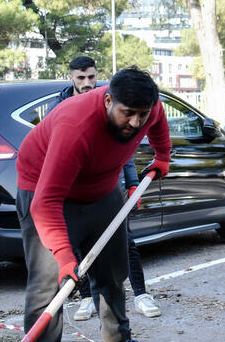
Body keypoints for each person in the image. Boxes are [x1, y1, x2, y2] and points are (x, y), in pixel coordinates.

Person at [17, 66, 172, 342]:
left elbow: (158, 123)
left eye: (140, 115)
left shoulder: (150, 109)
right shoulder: (75, 126)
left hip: (102, 191)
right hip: (46, 192)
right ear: (107, 100)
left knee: (112, 272)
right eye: (126, 113)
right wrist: (63, 255)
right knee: (49, 284)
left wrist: (162, 156)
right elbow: (46, 201)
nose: (134, 123)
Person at [58, 57, 162, 320]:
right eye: (81, 78)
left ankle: (140, 294)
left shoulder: (115, 101)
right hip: (75, 189)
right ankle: (86, 299)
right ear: (71, 77)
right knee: (79, 245)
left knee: (123, 241)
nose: (87, 83)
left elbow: (123, 150)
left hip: (109, 184)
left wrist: (133, 183)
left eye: (91, 77)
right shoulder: (64, 107)